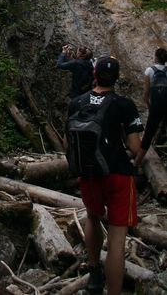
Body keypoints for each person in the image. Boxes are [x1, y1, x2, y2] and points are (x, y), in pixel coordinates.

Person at [66, 56, 143, 295]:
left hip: (89, 172)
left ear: (94, 74)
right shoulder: (124, 104)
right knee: (118, 240)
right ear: (117, 78)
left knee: (92, 216)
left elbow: (67, 142)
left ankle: (94, 273)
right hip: (118, 174)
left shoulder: (77, 102)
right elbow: (134, 146)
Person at [134, 46, 167, 166]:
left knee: (148, 134)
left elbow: (146, 92)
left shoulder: (149, 71)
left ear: (156, 58)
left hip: (156, 106)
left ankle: (137, 162)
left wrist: (149, 105)